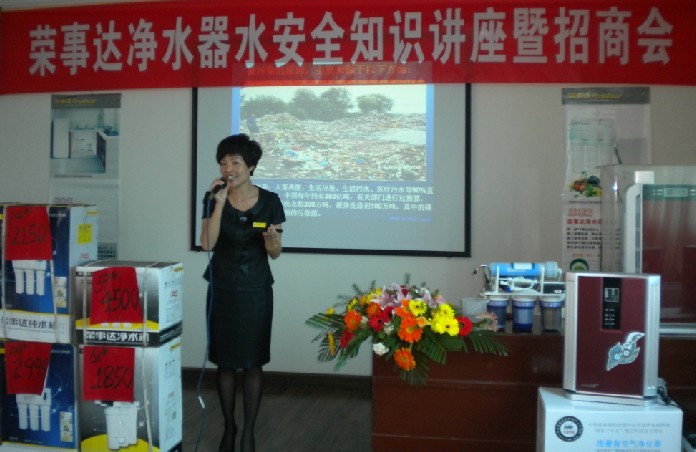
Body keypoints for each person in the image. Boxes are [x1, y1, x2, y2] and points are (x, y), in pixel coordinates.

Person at [200, 133, 285, 452]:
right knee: (225, 363)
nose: (228, 169)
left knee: (252, 363)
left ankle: (249, 431)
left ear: (250, 166)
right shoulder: (213, 198)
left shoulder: (270, 201)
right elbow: (207, 243)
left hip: (256, 290)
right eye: (223, 163)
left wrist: (271, 240)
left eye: (235, 162)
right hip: (222, 289)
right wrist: (219, 203)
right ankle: (229, 427)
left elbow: (275, 253)